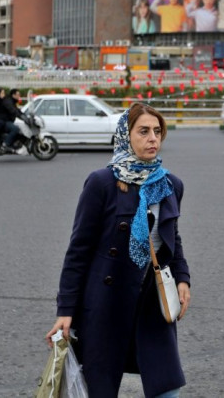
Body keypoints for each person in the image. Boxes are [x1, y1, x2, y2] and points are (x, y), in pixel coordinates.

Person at [46, 103, 191, 397]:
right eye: (144, 131)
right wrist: (66, 310)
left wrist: (183, 278)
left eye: (157, 131)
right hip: (106, 302)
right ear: (126, 135)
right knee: (100, 387)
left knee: (167, 388)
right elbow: (79, 250)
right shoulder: (102, 183)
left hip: (152, 300)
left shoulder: (170, 185)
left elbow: (171, 238)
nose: (153, 138)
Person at [0, 88, 24, 153]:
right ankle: (5, 145)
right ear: (13, 95)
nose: (19, 96)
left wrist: (24, 115)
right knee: (15, 129)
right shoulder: (8, 101)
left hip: (8, 120)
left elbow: (17, 110)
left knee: (20, 128)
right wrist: (21, 116)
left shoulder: (12, 101)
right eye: (18, 95)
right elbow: (13, 110)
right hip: (4, 121)